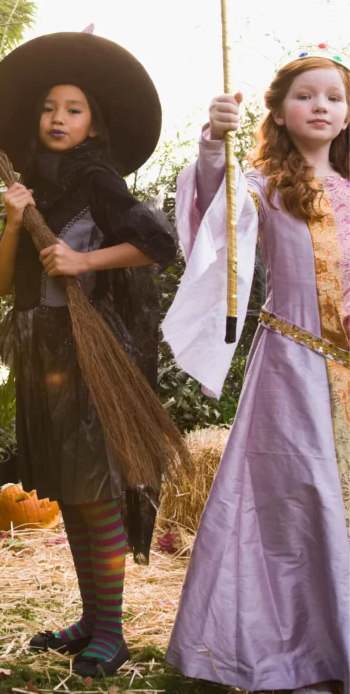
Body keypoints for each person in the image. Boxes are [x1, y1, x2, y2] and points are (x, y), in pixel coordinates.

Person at [0, 32, 176, 679]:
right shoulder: (31, 184)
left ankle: (111, 634)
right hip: (43, 352)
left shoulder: (96, 179)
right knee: (71, 493)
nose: (57, 118)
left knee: (97, 495)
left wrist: (85, 258)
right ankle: (91, 620)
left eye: (73, 108)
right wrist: (13, 222)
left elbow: (157, 242)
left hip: (93, 356)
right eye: (48, 108)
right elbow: (3, 283)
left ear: (94, 124)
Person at [163, 45, 350, 694]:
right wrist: (215, 142)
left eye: (334, 96)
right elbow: (215, 220)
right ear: (277, 111)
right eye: (306, 95)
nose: (321, 105)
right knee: (293, 503)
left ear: (349, 114)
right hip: (292, 369)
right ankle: (286, 647)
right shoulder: (264, 189)